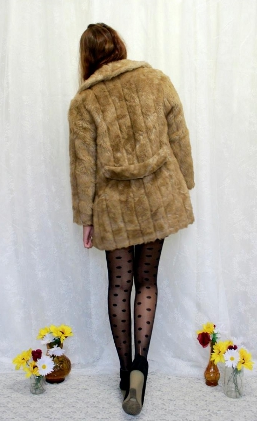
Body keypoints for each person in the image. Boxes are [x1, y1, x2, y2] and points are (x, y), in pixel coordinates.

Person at [68, 23, 194, 415]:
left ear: (87, 58)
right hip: (159, 196)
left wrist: (86, 218)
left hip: (115, 205)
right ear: (119, 47)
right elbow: (179, 136)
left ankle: (125, 374)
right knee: (148, 281)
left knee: (120, 286)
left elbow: (84, 167)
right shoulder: (156, 80)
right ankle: (142, 365)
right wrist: (184, 183)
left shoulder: (84, 101)